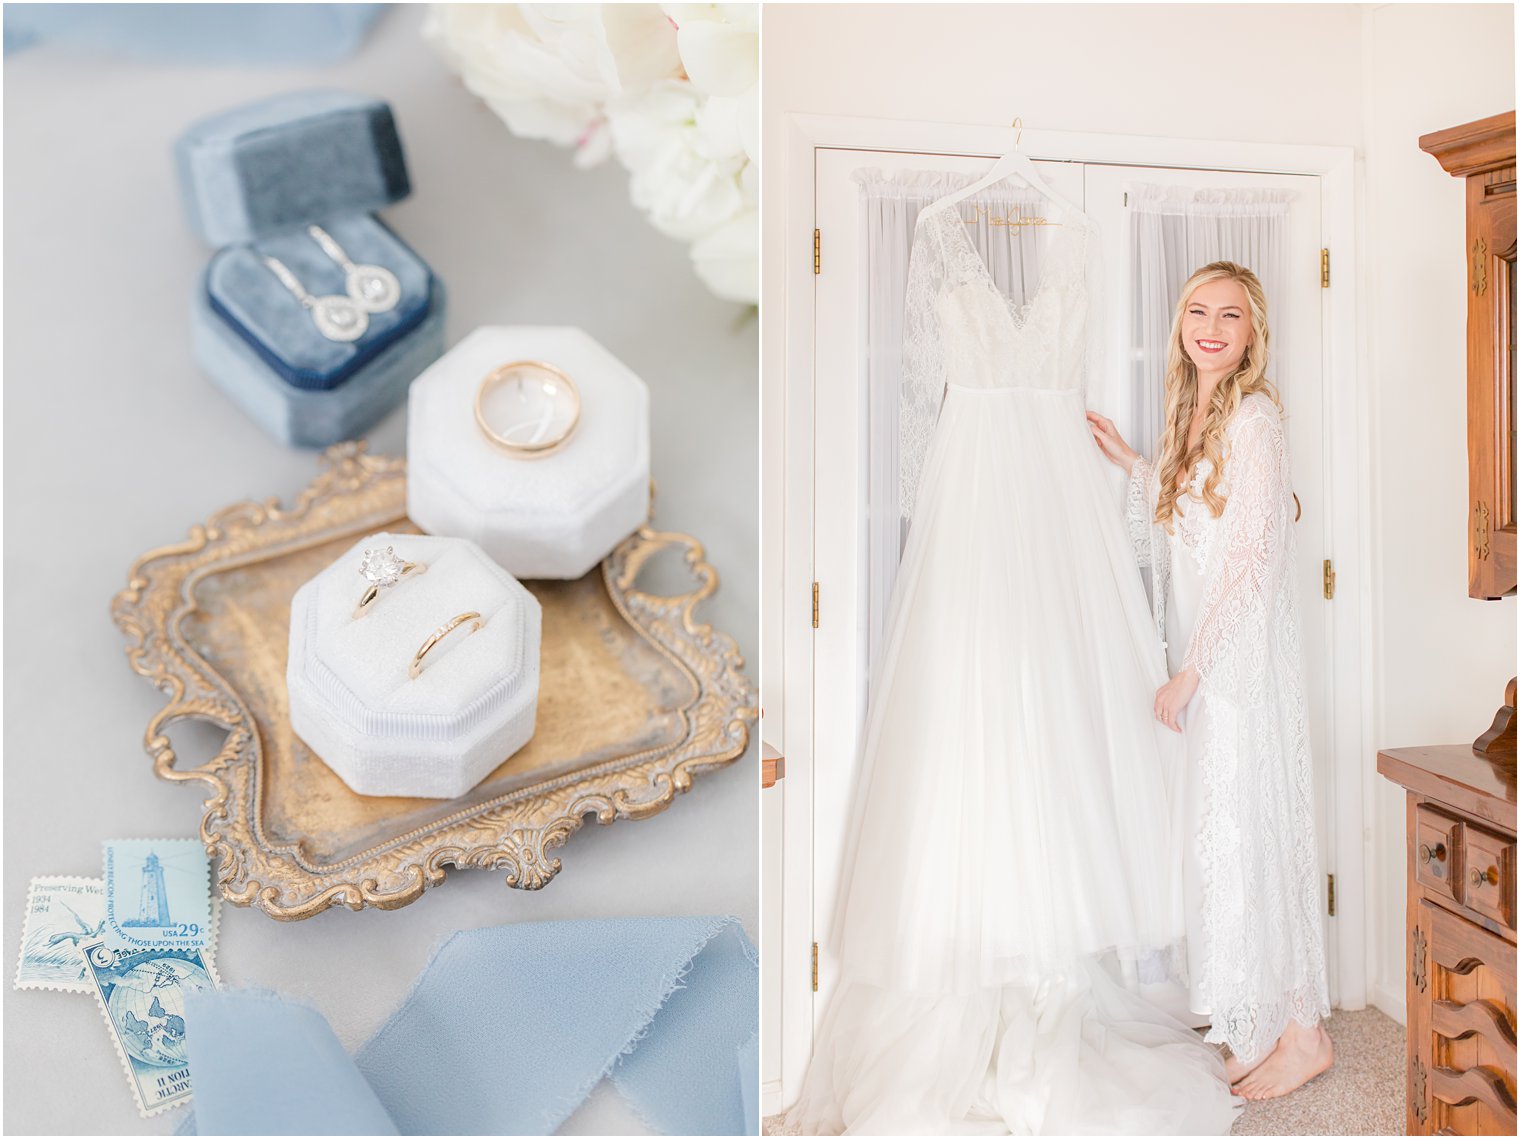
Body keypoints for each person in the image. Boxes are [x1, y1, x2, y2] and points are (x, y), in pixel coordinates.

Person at [1087, 260, 1333, 1101]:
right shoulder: (1196, 411)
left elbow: (1251, 561)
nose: (1213, 327)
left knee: (1253, 835)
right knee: (1226, 842)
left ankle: (1300, 1032)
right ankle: (1254, 1020)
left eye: (1231, 315)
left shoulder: (1256, 418)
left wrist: (1192, 670)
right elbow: (1195, 530)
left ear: (1253, 332)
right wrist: (1135, 465)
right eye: (1199, 311)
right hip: (1215, 661)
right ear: (1182, 325)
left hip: (1241, 666)